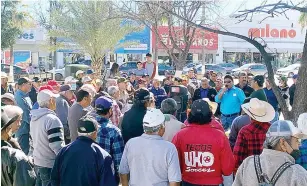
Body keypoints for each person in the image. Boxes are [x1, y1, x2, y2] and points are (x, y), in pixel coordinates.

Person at [172, 99, 234, 186]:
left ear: (190, 114)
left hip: (188, 181)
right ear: (210, 114)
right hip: (212, 182)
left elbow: (174, 164)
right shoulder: (220, 136)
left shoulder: (180, 135)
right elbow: (228, 169)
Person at [233, 120, 307, 186]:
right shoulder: (297, 173)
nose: (299, 144)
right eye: (297, 140)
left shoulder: (247, 164)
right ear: (283, 143)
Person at [119, 108, 181, 186]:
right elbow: (174, 181)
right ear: (161, 128)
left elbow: (123, 172)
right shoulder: (169, 148)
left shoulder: (131, 143)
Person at [50, 115, 117, 186]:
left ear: (77, 131)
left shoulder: (63, 151)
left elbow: (54, 180)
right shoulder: (103, 156)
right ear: (95, 133)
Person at [30, 89, 65, 186]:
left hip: (38, 161)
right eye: (54, 99)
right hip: (50, 164)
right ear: (50, 101)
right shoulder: (52, 119)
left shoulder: (34, 118)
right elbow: (57, 146)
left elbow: (32, 141)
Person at [233, 98, 275, 173]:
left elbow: (238, 156)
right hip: (271, 171)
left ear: (250, 115)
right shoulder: (273, 130)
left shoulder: (245, 131)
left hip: (251, 171)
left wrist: (237, 173)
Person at [1, 109, 36, 186]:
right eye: (17, 121)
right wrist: (26, 161)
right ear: (8, 127)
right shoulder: (14, 156)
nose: (19, 124)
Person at [95, 96, 125, 184]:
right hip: (108, 176)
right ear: (110, 110)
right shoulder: (114, 131)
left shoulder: (89, 126)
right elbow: (118, 159)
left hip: (91, 173)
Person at [14, 77, 32, 155]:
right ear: (24, 84)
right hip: (22, 129)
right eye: (29, 84)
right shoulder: (19, 97)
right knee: (22, 152)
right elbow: (25, 113)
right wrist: (33, 124)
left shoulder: (25, 95)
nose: (31, 86)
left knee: (26, 150)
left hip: (26, 128)